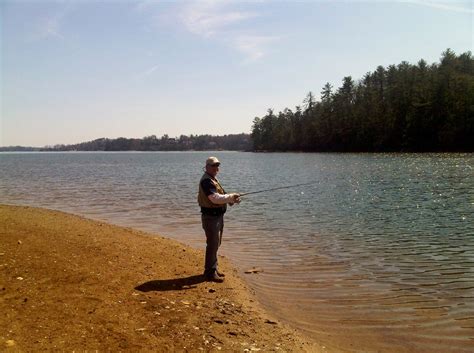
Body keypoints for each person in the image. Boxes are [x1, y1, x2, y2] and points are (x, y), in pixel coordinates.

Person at [198, 156, 241, 282]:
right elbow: (214, 198)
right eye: (213, 165)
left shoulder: (213, 179)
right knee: (212, 244)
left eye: (217, 165)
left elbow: (220, 196)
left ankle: (213, 268)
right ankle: (209, 273)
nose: (216, 168)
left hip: (217, 216)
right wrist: (230, 197)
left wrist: (231, 199)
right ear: (206, 167)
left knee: (216, 243)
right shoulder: (206, 181)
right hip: (210, 218)